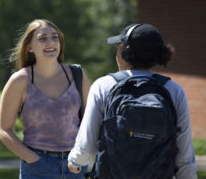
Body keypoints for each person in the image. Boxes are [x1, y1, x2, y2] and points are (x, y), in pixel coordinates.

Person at [68, 23, 197, 178]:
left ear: (125, 51)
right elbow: (184, 155)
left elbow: (87, 146)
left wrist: (74, 162)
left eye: (118, 47)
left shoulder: (104, 85)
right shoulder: (173, 90)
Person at [0, 19, 91, 179]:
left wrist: (84, 156)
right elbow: (4, 130)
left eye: (55, 37)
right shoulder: (20, 80)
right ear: (30, 47)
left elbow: (91, 121)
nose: (51, 42)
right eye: (42, 38)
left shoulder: (78, 75)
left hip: (75, 164)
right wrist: (33, 159)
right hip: (37, 167)